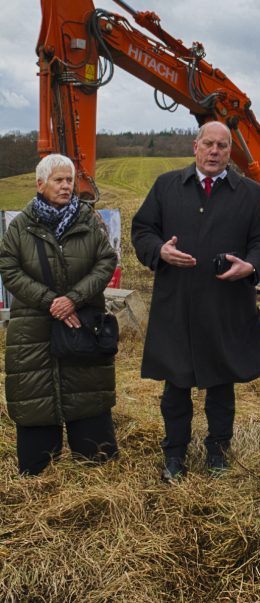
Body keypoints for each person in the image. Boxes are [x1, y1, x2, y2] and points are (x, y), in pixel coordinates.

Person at [131, 121, 260, 483]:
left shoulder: (250, 193)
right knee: (176, 384)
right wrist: (159, 251)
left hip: (225, 304)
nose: (215, 151)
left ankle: (217, 452)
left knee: (221, 384)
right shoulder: (167, 186)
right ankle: (175, 455)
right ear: (195, 147)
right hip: (177, 303)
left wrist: (251, 265)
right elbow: (142, 231)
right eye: (208, 144)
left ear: (231, 152)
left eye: (223, 146)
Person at [0, 153, 118, 475]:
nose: (67, 186)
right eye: (59, 180)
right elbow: (8, 267)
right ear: (40, 184)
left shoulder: (86, 220)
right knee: (36, 394)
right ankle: (40, 471)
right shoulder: (21, 226)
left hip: (83, 323)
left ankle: (95, 464)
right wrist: (51, 301)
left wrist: (75, 298)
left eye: (70, 180)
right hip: (33, 328)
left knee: (87, 390)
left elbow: (106, 261)